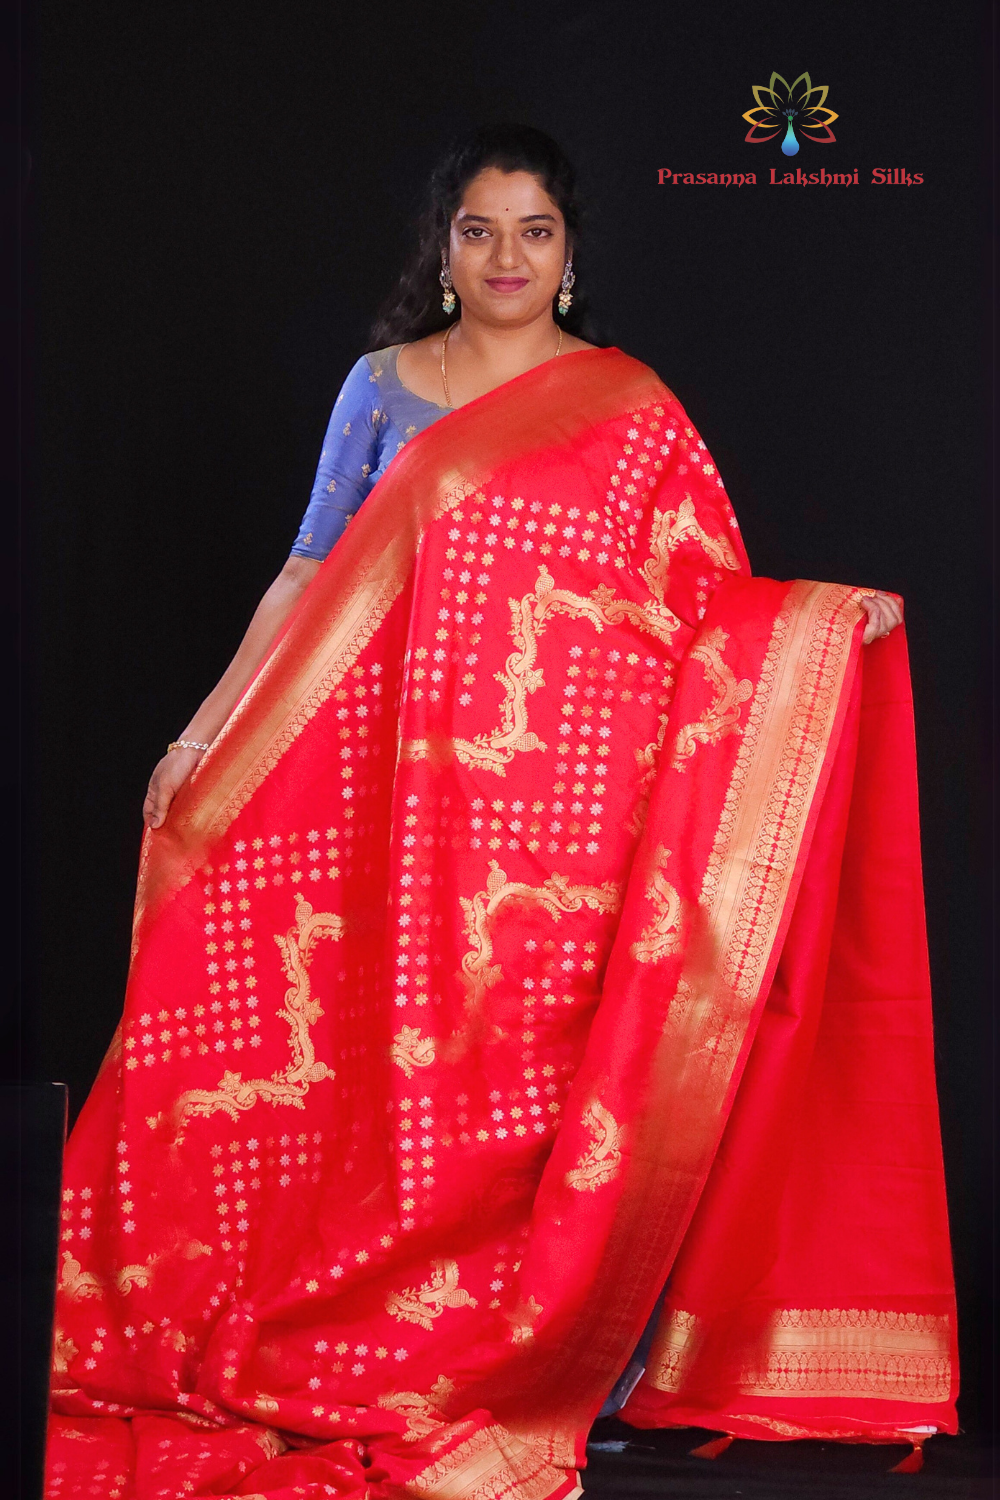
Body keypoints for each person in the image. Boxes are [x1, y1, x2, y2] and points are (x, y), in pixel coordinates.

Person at [47, 126, 956, 1500]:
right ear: (445, 248)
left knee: (550, 1088)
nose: (507, 257)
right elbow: (304, 576)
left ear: (571, 252)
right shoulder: (383, 390)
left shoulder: (626, 404)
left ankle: (554, 1361)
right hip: (391, 813)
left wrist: (825, 625)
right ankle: (410, 1348)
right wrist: (202, 734)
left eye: (535, 231)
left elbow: (701, 597)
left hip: (574, 821)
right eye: (480, 230)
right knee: (387, 1087)